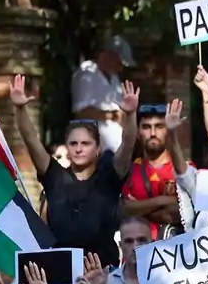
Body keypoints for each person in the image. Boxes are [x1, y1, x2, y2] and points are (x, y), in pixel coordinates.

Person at [11, 73, 139, 267]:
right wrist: (20, 109)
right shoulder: (54, 176)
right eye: (73, 143)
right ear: (68, 148)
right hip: (60, 272)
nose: (79, 148)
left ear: (97, 149)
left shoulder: (109, 176)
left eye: (85, 143)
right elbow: (30, 139)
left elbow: (129, 142)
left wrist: (130, 115)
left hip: (104, 273)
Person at [122, 102, 183, 237]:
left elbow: (181, 213)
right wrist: (163, 200)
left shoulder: (182, 168)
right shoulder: (130, 170)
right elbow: (124, 210)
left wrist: (140, 208)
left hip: (173, 250)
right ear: (138, 133)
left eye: (159, 127)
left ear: (167, 130)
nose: (153, 133)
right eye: (146, 127)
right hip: (137, 249)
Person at [70, 34, 135, 152]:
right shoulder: (86, 74)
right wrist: (112, 115)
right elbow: (81, 112)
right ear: (106, 56)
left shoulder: (114, 78)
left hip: (118, 151)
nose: (120, 68)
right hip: (96, 152)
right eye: (119, 62)